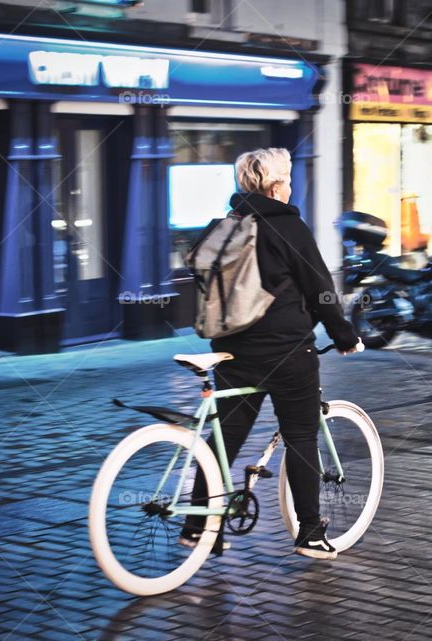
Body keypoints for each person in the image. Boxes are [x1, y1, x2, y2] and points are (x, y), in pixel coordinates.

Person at [181, 147, 361, 560]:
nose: (292, 184)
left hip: (230, 351)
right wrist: (344, 334)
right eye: (289, 178)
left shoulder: (224, 228)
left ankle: (196, 525)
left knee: (226, 436)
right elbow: (321, 291)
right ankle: (310, 532)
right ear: (277, 184)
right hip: (287, 352)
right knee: (300, 435)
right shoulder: (288, 228)